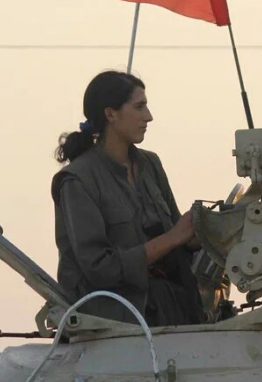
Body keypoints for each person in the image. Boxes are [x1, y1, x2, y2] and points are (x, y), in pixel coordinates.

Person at [51, 71, 205, 327]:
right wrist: (173, 237)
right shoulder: (78, 179)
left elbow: (179, 236)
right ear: (111, 114)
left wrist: (206, 230)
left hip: (172, 308)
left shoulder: (149, 164)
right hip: (118, 322)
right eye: (139, 107)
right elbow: (100, 268)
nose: (148, 116)